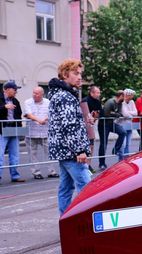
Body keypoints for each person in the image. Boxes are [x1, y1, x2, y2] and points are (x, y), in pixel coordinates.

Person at [47, 59, 91, 215]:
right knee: (88, 187)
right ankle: (85, 224)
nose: (80, 77)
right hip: (71, 151)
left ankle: (65, 219)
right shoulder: (65, 97)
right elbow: (69, 126)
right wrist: (79, 150)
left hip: (64, 150)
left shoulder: (60, 94)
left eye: (81, 74)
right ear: (65, 75)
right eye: (76, 73)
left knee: (66, 187)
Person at [24, 86, 58, 179]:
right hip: (31, 132)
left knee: (49, 153)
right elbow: (29, 114)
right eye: (33, 93)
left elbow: (51, 113)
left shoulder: (48, 102)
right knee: (32, 154)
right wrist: (39, 120)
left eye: (37, 93)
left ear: (42, 94)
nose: (34, 95)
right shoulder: (28, 102)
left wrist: (45, 119)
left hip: (45, 132)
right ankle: (36, 172)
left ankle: (52, 171)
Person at [0, 81, 25, 183]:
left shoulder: (15, 101)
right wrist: (4, 107)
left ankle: (15, 175)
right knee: (0, 155)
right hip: (2, 130)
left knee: (15, 154)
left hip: (13, 129)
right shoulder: (0, 99)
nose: (16, 92)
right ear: (7, 89)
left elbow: (19, 115)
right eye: (14, 89)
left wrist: (19, 129)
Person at [98, 90, 126, 169]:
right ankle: (102, 163)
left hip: (110, 123)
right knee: (103, 143)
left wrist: (114, 113)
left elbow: (120, 114)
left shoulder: (120, 103)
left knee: (123, 132)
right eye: (124, 96)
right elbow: (106, 114)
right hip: (103, 124)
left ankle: (116, 149)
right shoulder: (110, 102)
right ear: (121, 96)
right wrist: (115, 114)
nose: (125, 98)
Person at [80, 86, 102, 173]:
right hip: (82, 127)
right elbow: (84, 115)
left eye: (99, 93)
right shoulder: (84, 101)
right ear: (92, 93)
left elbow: (99, 113)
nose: (99, 94)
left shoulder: (97, 102)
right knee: (83, 147)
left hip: (91, 127)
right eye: (97, 92)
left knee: (91, 146)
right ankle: (83, 165)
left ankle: (88, 165)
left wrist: (94, 119)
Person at [119, 89, 138, 155]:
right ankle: (121, 159)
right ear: (127, 95)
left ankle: (126, 158)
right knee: (123, 144)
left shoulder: (132, 102)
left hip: (130, 125)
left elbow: (136, 113)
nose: (132, 96)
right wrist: (130, 114)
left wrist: (129, 113)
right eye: (131, 95)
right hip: (123, 125)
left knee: (128, 144)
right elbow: (125, 114)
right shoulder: (122, 102)